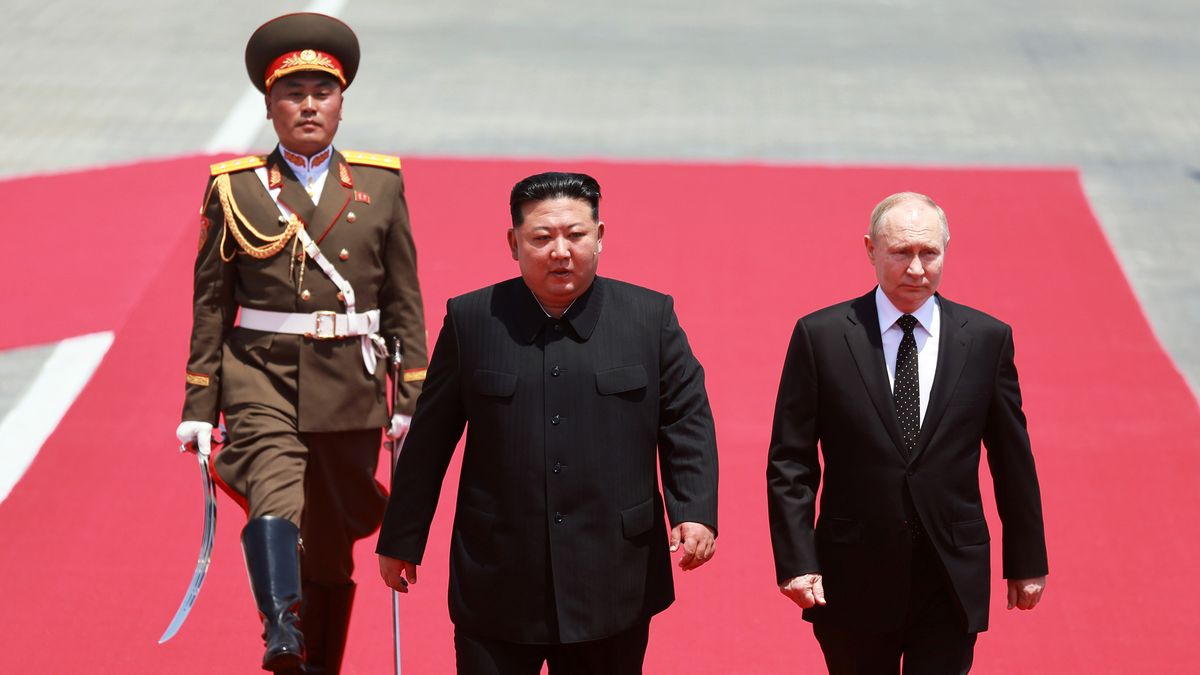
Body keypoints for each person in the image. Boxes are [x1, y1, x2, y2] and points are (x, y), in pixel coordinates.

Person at [376, 172, 719, 674]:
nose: (561, 251)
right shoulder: (472, 320)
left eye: (576, 235)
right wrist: (402, 537)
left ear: (600, 236)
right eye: (542, 237)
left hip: (613, 575)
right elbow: (430, 437)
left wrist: (694, 509)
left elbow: (686, 417)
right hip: (497, 575)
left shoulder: (649, 317)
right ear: (513, 243)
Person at [174, 12, 427, 673]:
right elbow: (211, 303)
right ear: (269, 107)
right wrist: (199, 404)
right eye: (293, 93)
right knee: (272, 487)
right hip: (260, 374)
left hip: (350, 384)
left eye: (322, 92)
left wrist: (412, 396)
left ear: (341, 105)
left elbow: (403, 298)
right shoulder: (235, 188)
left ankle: (316, 663)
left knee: (332, 541)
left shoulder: (379, 185)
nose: (308, 105)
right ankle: (280, 625)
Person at [766, 192, 1048, 674]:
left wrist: (1026, 559)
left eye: (929, 253)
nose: (916, 269)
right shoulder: (822, 336)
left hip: (950, 573)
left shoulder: (986, 339)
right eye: (901, 252)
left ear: (946, 249)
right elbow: (791, 461)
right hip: (853, 575)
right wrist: (796, 561)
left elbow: (1011, 457)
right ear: (870, 249)